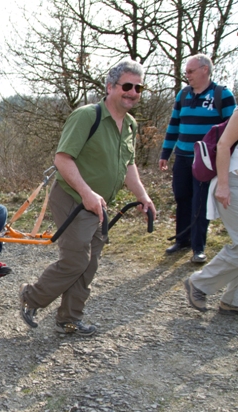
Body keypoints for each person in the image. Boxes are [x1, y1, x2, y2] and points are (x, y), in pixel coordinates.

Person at [19, 59, 156, 337]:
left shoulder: (129, 125)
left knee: (90, 262)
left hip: (99, 204)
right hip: (72, 198)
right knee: (76, 260)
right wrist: (87, 193)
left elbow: (128, 166)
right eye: (127, 86)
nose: (132, 92)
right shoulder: (87, 116)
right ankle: (31, 298)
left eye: (138, 87)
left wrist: (143, 195)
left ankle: (69, 318)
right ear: (110, 87)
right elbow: (62, 159)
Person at [159, 53, 236, 263]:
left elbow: (233, 130)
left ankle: (197, 247)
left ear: (205, 70)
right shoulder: (182, 95)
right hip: (182, 157)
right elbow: (173, 126)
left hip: (206, 161)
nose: (187, 76)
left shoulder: (223, 95)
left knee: (199, 202)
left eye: (191, 71)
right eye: (185, 72)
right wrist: (165, 153)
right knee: (182, 197)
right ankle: (182, 240)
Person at [184, 108, 238, 315]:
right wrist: (223, 185)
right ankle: (199, 283)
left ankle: (233, 300)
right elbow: (224, 145)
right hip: (232, 182)